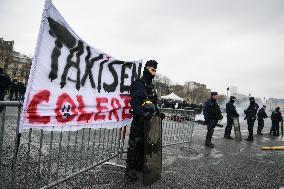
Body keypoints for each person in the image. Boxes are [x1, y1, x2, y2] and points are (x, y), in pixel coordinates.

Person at [125, 60, 164, 181]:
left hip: (150, 121)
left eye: (155, 71)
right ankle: (130, 170)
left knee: (146, 144)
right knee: (135, 144)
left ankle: (140, 165)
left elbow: (154, 103)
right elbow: (135, 104)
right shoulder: (138, 83)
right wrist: (142, 114)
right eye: (152, 70)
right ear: (146, 69)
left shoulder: (151, 87)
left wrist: (158, 113)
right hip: (139, 120)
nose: (154, 73)